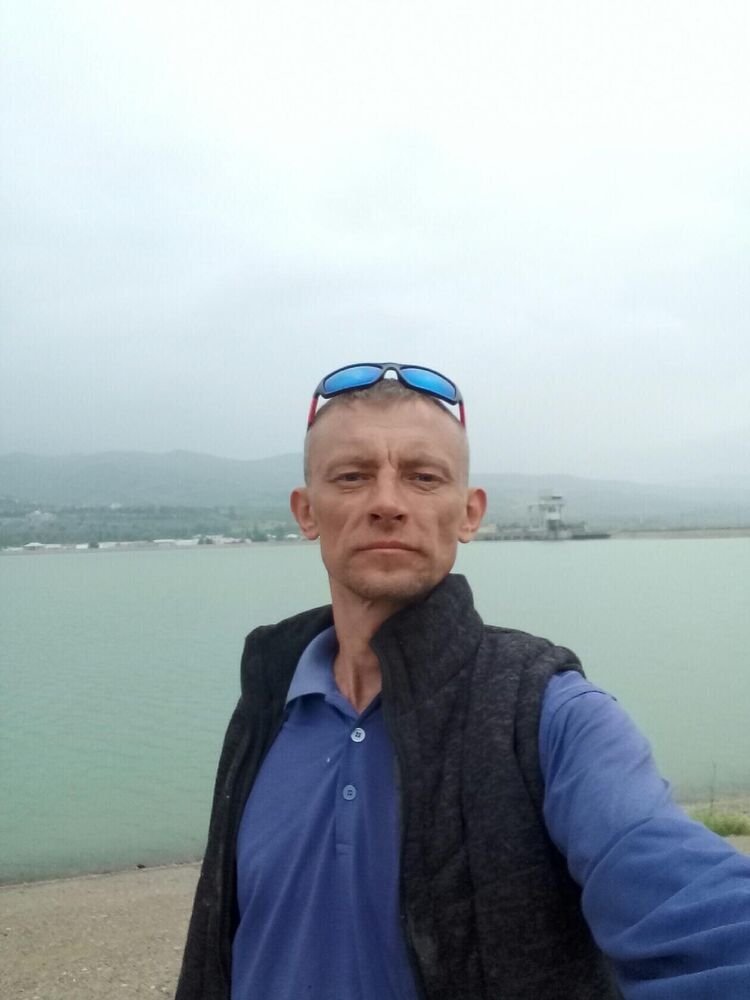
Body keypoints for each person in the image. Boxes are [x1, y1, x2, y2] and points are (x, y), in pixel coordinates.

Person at [176, 363, 750, 1000]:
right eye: (352, 476)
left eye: (423, 477)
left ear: (469, 513)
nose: (387, 503)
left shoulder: (547, 713)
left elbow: (694, 904)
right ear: (306, 512)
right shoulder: (269, 700)